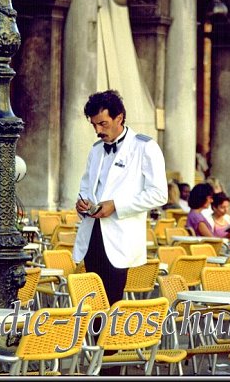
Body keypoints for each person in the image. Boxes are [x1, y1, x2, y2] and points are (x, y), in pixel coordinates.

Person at [73, 90, 167, 305]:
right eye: (94, 125)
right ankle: (95, 338)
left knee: (113, 302)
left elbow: (159, 194)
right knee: (92, 301)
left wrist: (117, 205)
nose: (97, 130)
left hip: (120, 238)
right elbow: (86, 186)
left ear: (119, 118)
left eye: (103, 124)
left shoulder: (145, 147)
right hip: (92, 235)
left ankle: (109, 340)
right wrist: (82, 202)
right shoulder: (96, 150)